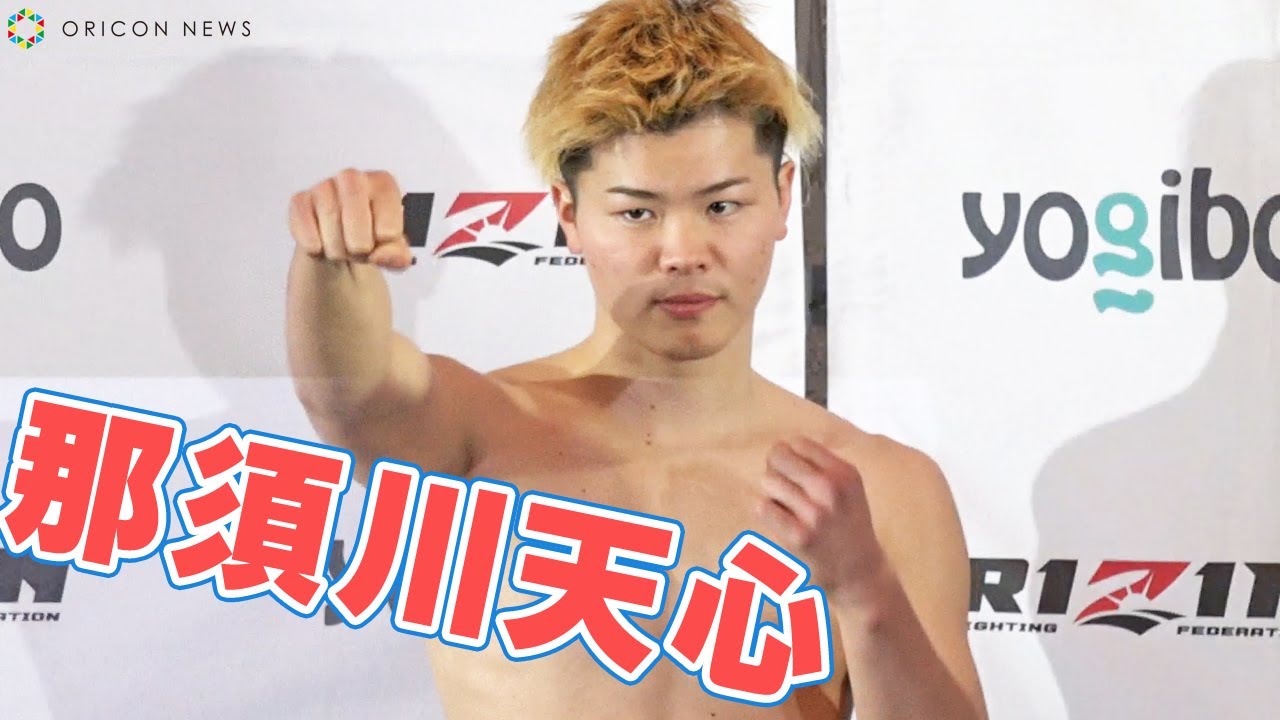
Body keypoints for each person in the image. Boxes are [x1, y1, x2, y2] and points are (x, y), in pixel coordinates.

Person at [285, 1, 987, 717]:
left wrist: (866, 592)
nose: (682, 253)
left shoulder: (882, 487)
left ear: (782, 197)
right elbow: (351, 393)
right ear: (569, 213)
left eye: (721, 206)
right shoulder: (478, 431)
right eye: (637, 213)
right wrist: (331, 255)